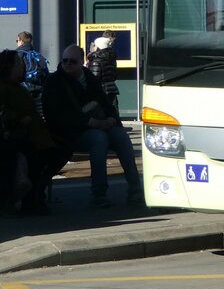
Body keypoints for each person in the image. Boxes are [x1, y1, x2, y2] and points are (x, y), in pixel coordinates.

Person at [42, 44, 142, 208]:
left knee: (120, 136)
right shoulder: (55, 82)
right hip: (69, 133)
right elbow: (56, 114)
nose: (67, 64)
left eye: (72, 61)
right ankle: (98, 193)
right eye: (64, 60)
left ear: (82, 62)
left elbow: (105, 102)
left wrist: (112, 119)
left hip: (95, 125)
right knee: (99, 138)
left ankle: (135, 189)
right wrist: (88, 122)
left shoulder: (89, 77)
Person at [0, 49, 68, 215]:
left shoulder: (18, 88)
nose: (22, 67)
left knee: (57, 152)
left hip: (32, 135)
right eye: (18, 64)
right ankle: (25, 200)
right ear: (9, 67)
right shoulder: (5, 88)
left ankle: (34, 197)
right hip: (17, 136)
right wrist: (17, 119)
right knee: (28, 157)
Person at [14, 30, 49, 113]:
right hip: (40, 92)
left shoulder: (18, 55)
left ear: (21, 41)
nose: (17, 43)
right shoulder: (37, 55)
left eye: (17, 41)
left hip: (24, 92)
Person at [87, 31, 120, 109]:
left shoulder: (96, 59)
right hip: (112, 88)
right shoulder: (112, 57)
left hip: (101, 90)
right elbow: (114, 75)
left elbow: (94, 77)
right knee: (113, 111)